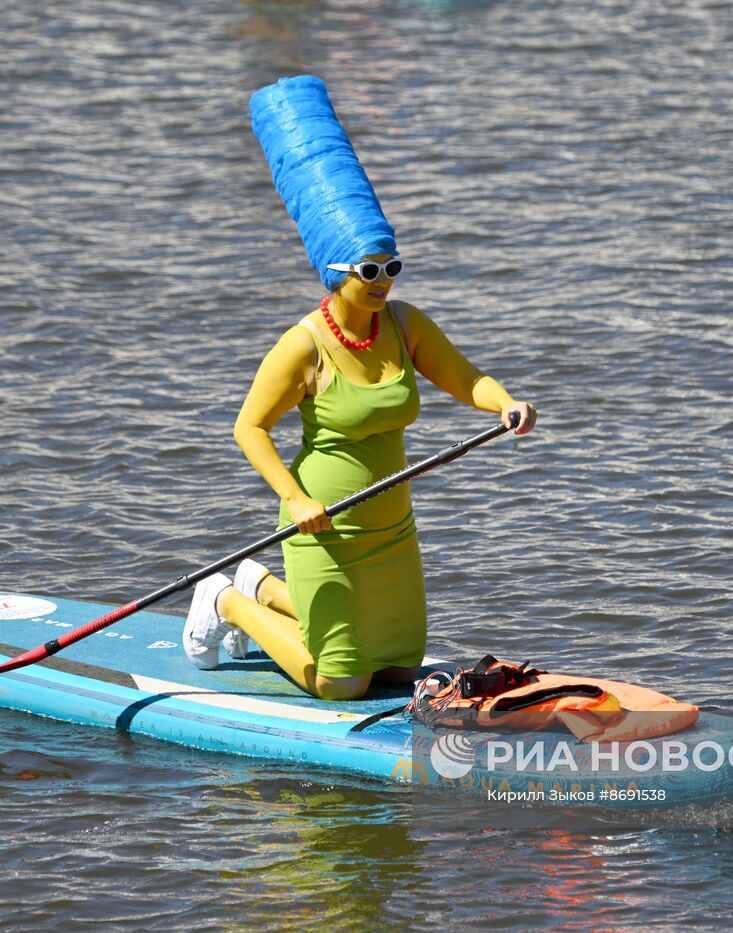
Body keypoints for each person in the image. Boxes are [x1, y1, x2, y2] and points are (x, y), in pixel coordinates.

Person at [182, 76, 535, 700]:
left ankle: (265, 587)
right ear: (335, 273)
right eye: (369, 270)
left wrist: (505, 402)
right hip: (324, 522)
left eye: (391, 267)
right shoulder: (303, 345)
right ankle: (232, 601)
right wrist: (294, 500)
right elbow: (249, 428)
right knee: (340, 682)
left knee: (398, 673)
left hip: (391, 524)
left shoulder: (405, 325)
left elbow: (467, 379)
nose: (383, 282)